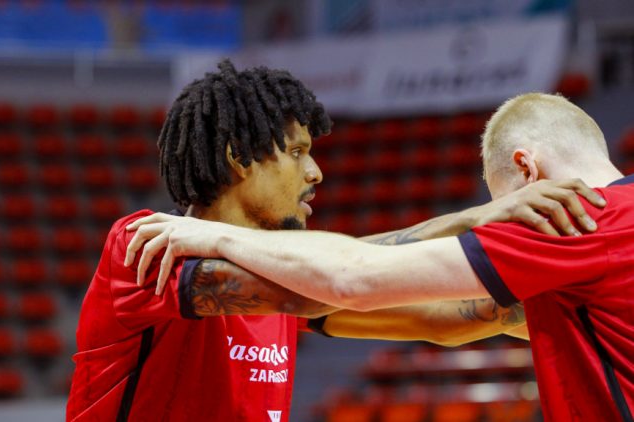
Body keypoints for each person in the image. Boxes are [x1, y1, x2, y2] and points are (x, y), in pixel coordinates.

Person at [67, 63, 602, 422]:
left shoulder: (283, 276)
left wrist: (569, 312)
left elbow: (453, 318)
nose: (316, 172)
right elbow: (326, 286)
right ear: (238, 156)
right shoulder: (146, 247)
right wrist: (474, 219)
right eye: (298, 152)